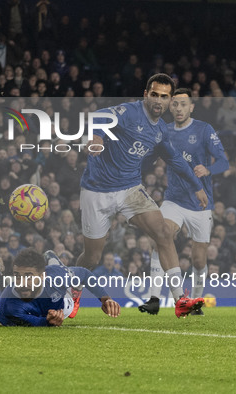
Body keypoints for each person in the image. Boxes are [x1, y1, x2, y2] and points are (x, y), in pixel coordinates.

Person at [76, 73, 208, 318]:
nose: (159, 100)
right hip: (97, 190)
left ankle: (180, 299)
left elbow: (176, 160)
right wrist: (97, 136)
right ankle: (73, 291)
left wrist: (196, 186)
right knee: (92, 256)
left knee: (164, 233)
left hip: (130, 189)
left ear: (170, 101)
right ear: (146, 95)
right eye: (155, 94)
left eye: (165, 96)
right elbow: (100, 117)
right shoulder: (129, 112)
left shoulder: (160, 131)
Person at [139, 88, 228, 316]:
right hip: (174, 200)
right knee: (162, 234)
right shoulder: (165, 131)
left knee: (199, 260)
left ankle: (196, 300)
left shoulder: (204, 129)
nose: (178, 108)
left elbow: (224, 162)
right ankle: (154, 298)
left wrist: (208, 169)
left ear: (191, 107)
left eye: (183, 104)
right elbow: (149, 155)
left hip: (200, 204)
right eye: (175, 104)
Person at [0, 249, 120, 326]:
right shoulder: (11, 305)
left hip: (63, 304)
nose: (21, 282)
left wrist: (105, 299)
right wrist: (49, 321)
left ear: (42, 276)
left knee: (61, 272)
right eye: (17, 275)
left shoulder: (56, 278)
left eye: (29, 276)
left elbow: (84, 274)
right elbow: (38, 322)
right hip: (35, 313)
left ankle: (73, 291)